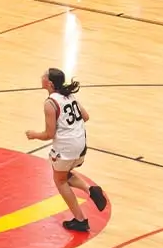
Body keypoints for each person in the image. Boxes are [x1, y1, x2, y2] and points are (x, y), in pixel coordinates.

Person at [25, 68, 107, 234]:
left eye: (44, 75)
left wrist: (34, 135)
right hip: (81, 142)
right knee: (64, 173)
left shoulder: (50, 103)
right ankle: (90, 189)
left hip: (67, 147)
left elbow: (49, 134)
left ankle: (80, 220)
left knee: (60, 180)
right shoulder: (69, 95)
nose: (41, 76)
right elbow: (86, 116)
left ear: (49, 83)